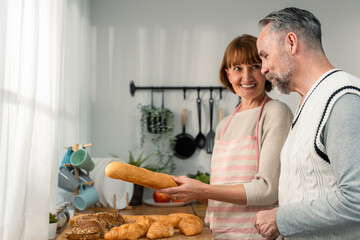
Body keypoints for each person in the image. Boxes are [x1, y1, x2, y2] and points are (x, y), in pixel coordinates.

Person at [159, 34, 293, 240]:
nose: (246, 77)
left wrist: (202, 189)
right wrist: (194, 192)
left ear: (266, 69)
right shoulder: (223, 125)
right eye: (238, 68)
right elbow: (221, 195)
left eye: (255, 66)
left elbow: (267, 190)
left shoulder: (275, 113)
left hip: (254, 235)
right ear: (228, 74)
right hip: (216, 233)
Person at [254, 7, 360, 240]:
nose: (264, 69)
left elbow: (357, 199)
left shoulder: (343, 99)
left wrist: (280, 219)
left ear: (291, 42)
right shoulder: (310, 100)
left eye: (265, 56)